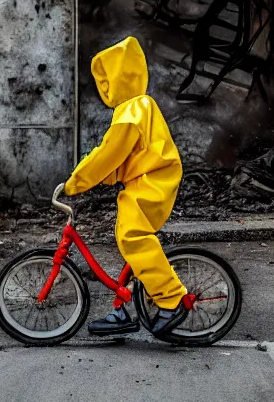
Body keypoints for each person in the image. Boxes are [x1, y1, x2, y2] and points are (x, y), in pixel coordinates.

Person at [64, 36, 188, 337]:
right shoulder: (136, 108)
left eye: (108, 79)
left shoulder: (134, 110)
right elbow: (122, 156)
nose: (104, 88)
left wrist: (77, 182)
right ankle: (123, 308)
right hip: (146, 178)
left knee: (133, 237)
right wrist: (90, 177)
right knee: (127, 240)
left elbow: (110, 153)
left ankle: (172, 298)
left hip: (153, 181)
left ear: (122, 76)